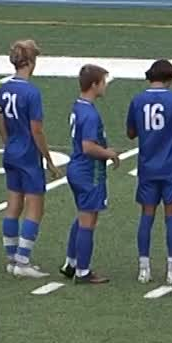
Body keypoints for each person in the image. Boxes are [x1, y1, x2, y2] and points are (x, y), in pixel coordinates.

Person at [0, 40, 62, 278]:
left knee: (13, 205)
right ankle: (23, 261)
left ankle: (12, 258)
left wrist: (10, 145)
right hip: (27, 155)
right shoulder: (31, 92)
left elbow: (1, 126)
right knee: (35, 207)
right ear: (31, 62)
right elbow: (37, 130)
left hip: (11, 151)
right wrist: (49, 159)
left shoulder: (4, 89)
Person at [127, 59, 172, 285]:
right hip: (171, 168)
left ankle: (143, 268)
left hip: (147, 167)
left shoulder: (137, 100)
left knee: (146, 216)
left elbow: (131, 133)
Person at [61, 64, 118, 285]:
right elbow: (88, 146)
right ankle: (82, 271)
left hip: (77, 168)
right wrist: (109, 153)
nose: (105, 86)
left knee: (82, 215)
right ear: (94, 85)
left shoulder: (78, 107)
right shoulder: (90, 114)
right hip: (88, 171)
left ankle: (72, 262)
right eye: (103, 82)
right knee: (88, 219)